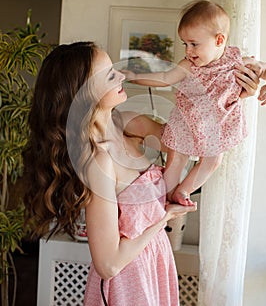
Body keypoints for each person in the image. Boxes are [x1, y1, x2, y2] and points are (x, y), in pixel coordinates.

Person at [23, 41, 200, 306]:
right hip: (129, 282)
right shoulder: (98, 161)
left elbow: (191, 143)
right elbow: (109, 264)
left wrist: (228, 93)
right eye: (109, 74)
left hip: (155, 265)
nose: (121, 75)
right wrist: (165, 216)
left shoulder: (127, 123)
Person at [122, 0, 266, 206]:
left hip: (217, 125)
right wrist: (133, 76)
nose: (188, 51)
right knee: (176, 157)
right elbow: (164, 78)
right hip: (186, 122)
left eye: (194, 44)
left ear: (219, 40)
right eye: (185, 44)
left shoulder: (237, 60)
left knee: (214, 160)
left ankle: (184, 191)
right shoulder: (189, 65)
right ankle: (165, 196)